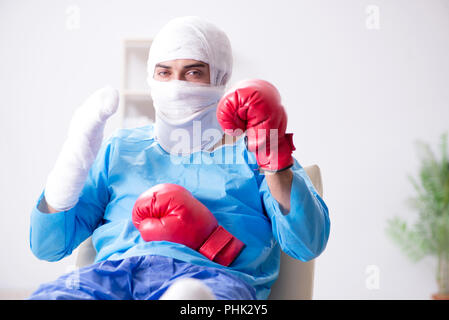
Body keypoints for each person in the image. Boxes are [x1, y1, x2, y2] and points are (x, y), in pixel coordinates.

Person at [28, 16, 330, 300]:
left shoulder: (253, 151)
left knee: (193, 299)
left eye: (193, 72)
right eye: (164, 72)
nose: (176, 84)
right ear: (152, 77)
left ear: (221, 78)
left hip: (217, 279)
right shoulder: (120, 148)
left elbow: (306, 243)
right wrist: (72, 159)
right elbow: (49, 246)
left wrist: (272, 153)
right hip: (116, 276)